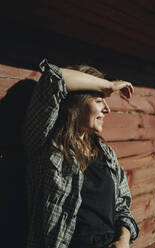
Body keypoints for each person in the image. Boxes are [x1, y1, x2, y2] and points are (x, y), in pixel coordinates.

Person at [22, 59, 139, 248]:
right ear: (76, 103)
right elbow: (54, 78)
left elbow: (122, 207)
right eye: (99, 100)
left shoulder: (107, 155)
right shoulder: (46, 146)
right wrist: (108, 86)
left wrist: (123, 239)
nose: (107, 109)